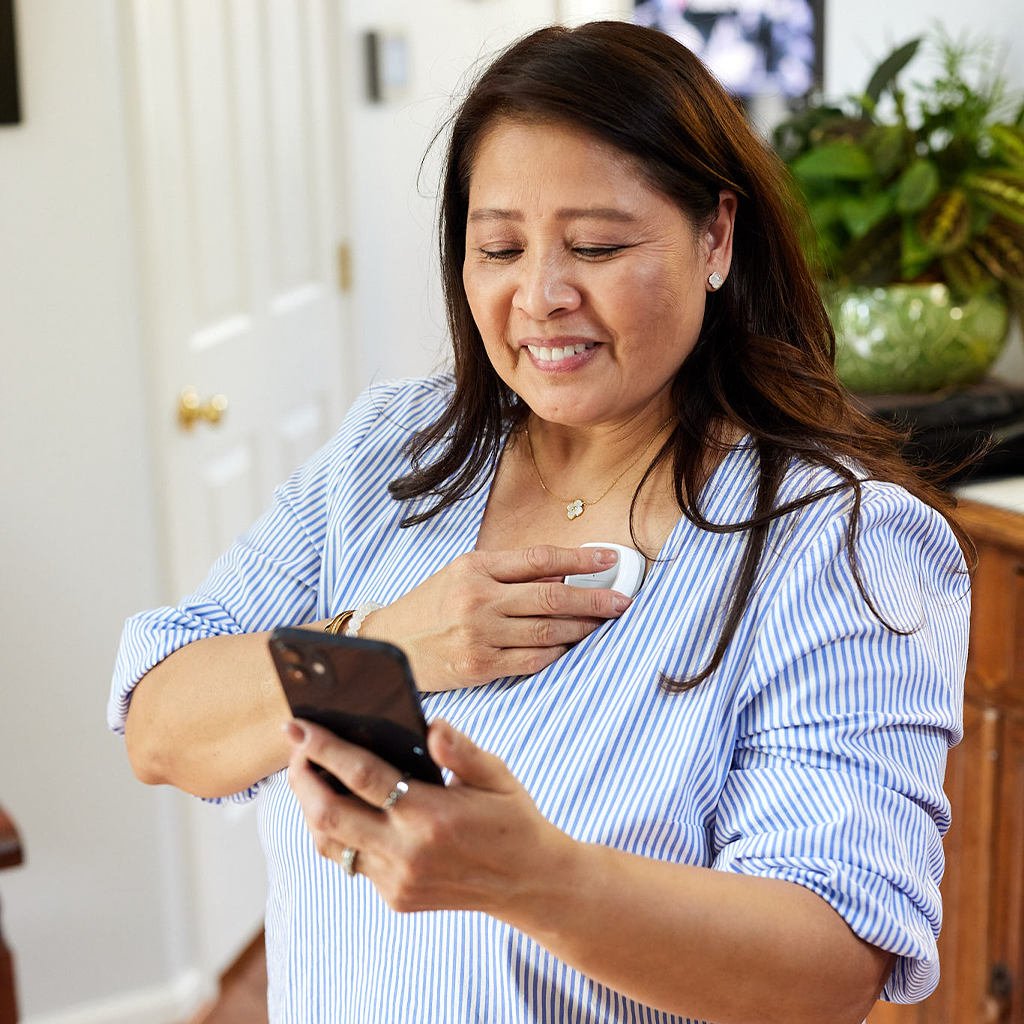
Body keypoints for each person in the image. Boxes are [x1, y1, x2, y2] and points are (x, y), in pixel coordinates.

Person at [110, 20, 971, 1024]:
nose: (540, 296)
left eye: (598, 245)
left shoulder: (838, 540)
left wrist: (538, 880)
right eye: (500, 246)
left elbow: (831, 966)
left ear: (716, 237)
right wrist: (388, 642)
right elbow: (162, 726)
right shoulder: (387, 456)